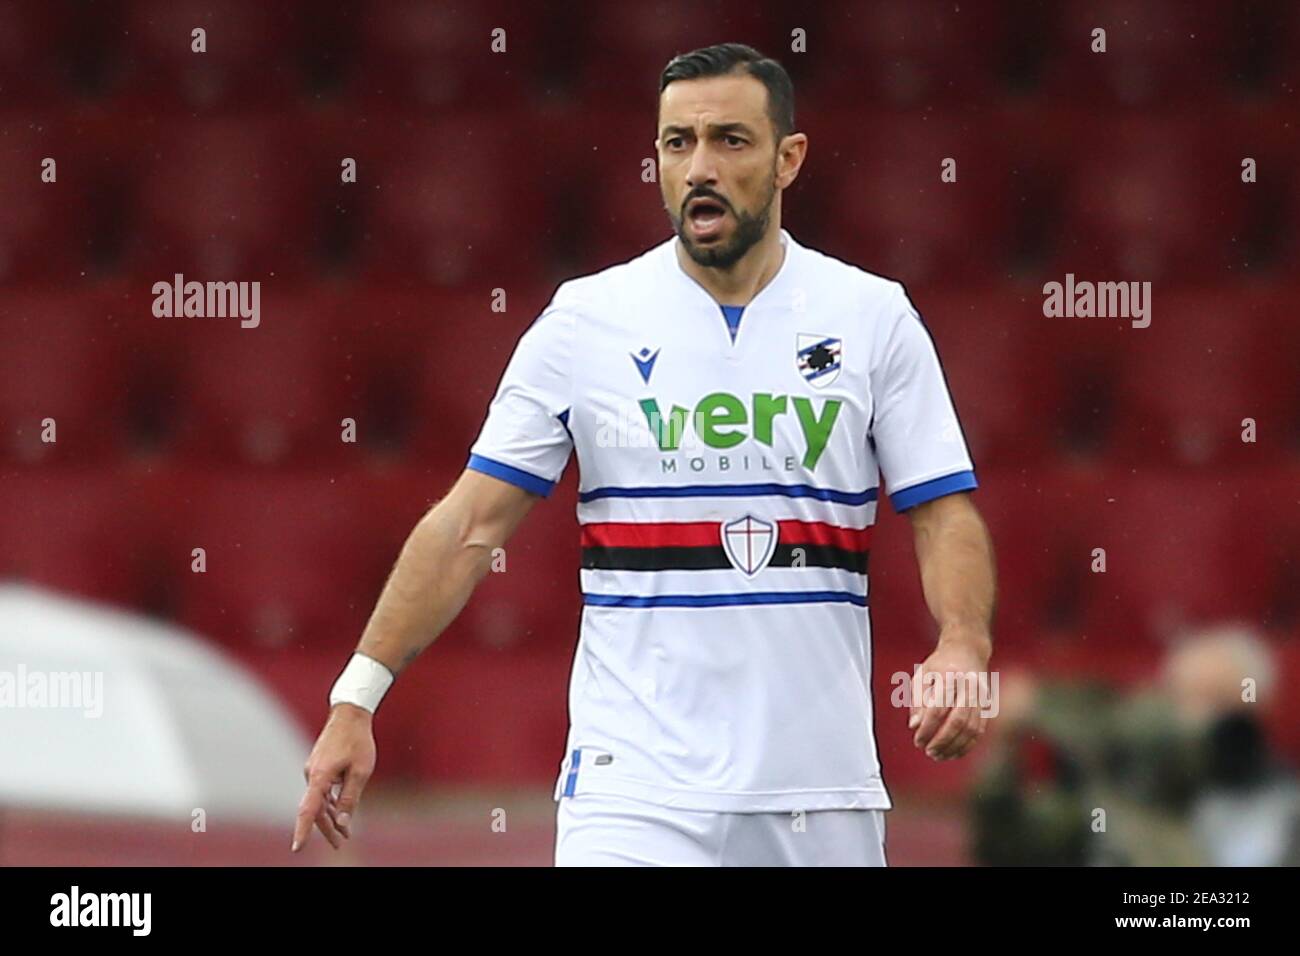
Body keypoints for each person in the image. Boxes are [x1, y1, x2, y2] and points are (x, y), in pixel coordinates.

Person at [292, 42, 996, 866]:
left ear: (788, 158)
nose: (700, 166)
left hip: (819, 792)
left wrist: (962, 643)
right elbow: (469, 524)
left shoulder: (872, 317)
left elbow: (942, 511)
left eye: (731, 140)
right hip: (632, 796)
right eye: (677, 143)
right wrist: (356, 698)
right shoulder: (586, 320)